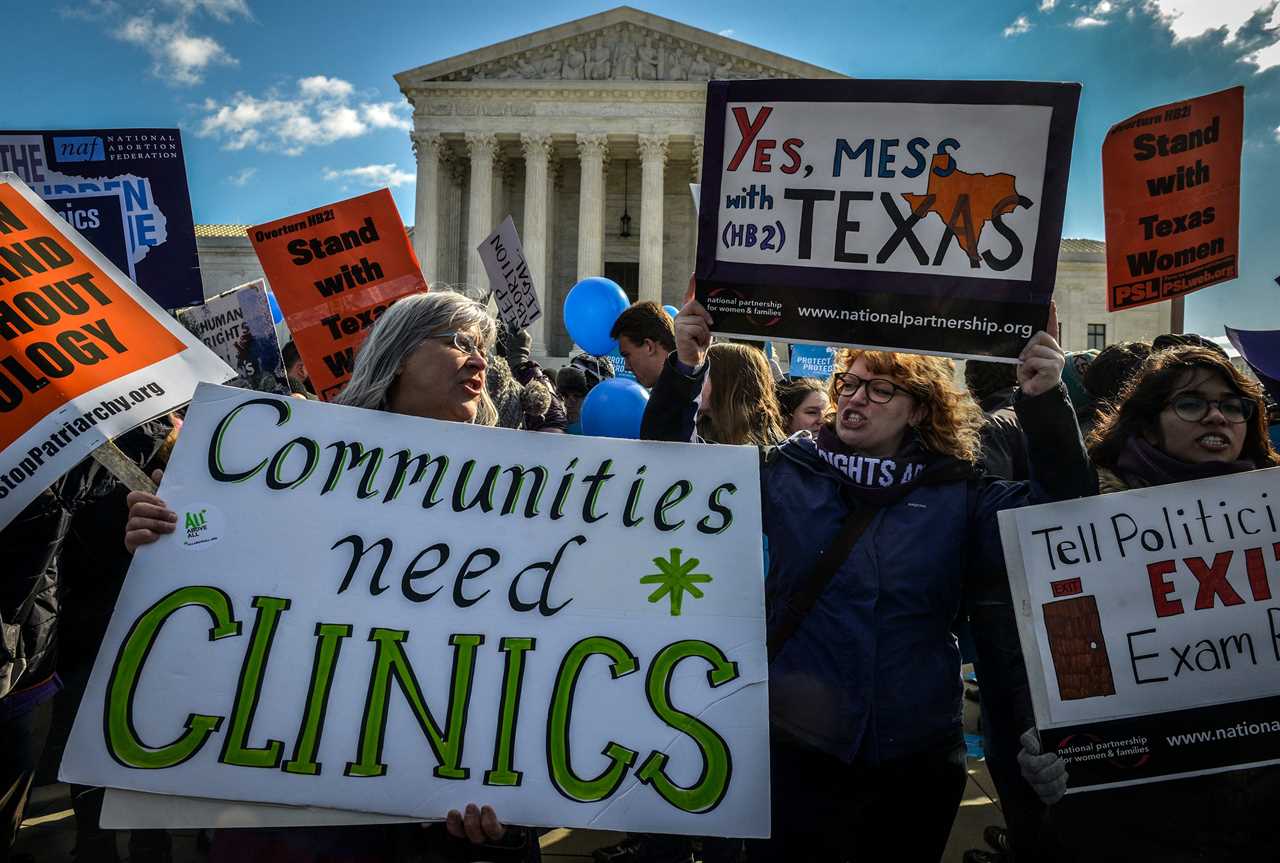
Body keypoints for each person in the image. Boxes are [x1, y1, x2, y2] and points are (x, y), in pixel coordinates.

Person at [643, 300, 1092, 861]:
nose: (856, 397)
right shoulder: (789, 471)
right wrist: (685, 368)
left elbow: (1063, 512)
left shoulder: (958, 491)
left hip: (917, 753)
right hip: (798, 747)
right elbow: (670, 478)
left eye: (880, 390)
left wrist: (1044, 398)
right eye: (849, 383)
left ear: (920, 411)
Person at [123, 291, 539, 863]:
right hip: (311, 792)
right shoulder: (301, 461)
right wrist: (165, 539)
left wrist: (520, 806)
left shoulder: (523, 489)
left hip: (445, 789)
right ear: (396, 357)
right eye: (459, 343)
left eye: (484, 350)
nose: (479, 361)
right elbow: (231, 560)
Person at [1020, 345, 1280, 862]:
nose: (1216, 415)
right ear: (1147, 423)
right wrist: (1058, 739)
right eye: (1190, 403)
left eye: (1234, 405)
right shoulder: (1089, 520)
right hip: (1129, 807)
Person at [641, 341, 785, 447]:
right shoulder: (696, 434)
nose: (697, 380)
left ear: (728, 382)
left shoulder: (772, 456)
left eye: (705, 373)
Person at [609, 301, 676, 388]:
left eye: (627, 355)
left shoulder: (688, 394)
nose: (626, 367)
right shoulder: (680, 388)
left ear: (649, 347)